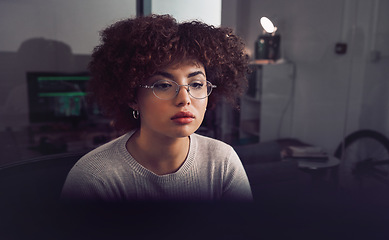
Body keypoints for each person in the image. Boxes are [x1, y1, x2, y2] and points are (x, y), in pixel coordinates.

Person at [61, 14, 252, 202]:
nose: (184, 99)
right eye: (163, 85)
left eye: (196, 84)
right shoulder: (93, 179)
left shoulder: (222, 162)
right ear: (132, 97)